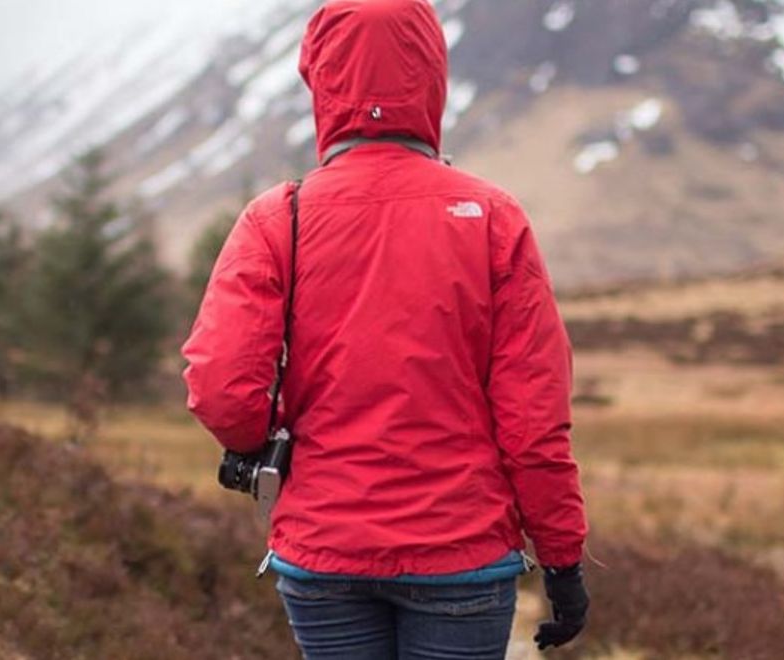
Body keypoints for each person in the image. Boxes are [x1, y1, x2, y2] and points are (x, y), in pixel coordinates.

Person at [181, 0, 588, 657]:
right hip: (461, 555)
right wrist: (563, 559)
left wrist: (267, 436)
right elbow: (534, 419)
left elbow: (222, 388)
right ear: (432, 75)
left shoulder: (276, 218)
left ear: (319, 77)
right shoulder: (493, 218)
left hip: (323, 552)